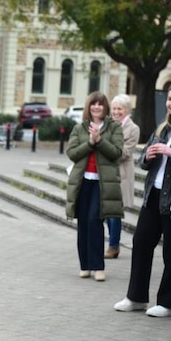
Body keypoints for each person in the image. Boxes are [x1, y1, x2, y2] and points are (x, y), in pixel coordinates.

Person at [114, 82, 171, 317]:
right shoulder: (163, 129)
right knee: (141, 244)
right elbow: (142, 161)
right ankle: (136, 297)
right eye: (170, 99)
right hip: (154, 194)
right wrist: (148, 156)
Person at [65, 91, 124, 281]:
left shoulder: (114, 127)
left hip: (102, 183)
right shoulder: (79, 128)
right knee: (83, 223)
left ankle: (98, 266)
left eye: (100, 104)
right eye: (93, 104)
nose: (96, 107)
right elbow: (72, 153)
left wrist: (99, 140)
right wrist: (90, 143)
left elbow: (116, 152)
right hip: (82, 182)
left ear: (105, 107)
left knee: (94, 221)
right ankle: (85, 265)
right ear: (88, 107)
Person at [104, 94, 140, 259]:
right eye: (114, 109)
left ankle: (113, 245)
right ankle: (113, 243)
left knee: (115, 212)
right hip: (106, 173)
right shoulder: (107, 125)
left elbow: (125, 153)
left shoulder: (133, 129)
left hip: (121, 174)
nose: (116, 112)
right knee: (106, 211)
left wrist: (104, 148)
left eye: (120, 109)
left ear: (127, 110)